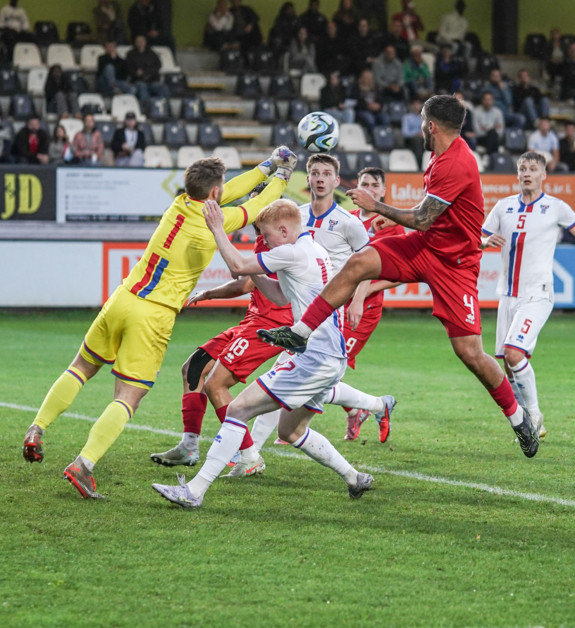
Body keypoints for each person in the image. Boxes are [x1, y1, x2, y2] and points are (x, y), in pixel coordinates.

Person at [257, 95, 543, 458]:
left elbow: (424, 216)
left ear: (432, 126)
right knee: (359, 263)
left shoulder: (456, 162)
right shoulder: (443, 151)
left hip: (455, 265)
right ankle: (301, 333)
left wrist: (377, 206)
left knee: (469, 352)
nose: (419, 125)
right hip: (424, 246)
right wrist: (392, 217)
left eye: (423, 120)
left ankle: (519, 419)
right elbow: (429, 222)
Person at [22, 149, 295, 497]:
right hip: (152, 315)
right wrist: (282, 177)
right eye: (220, 188)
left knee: (80, 368)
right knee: (128, 397)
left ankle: (37, 427)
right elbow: (255, 208)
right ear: (214, 193)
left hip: (122, 298)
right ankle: (84, 465)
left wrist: (267, 166)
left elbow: (228, 190)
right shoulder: (213, 222)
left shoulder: (179, 204)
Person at [152, 199, 385, 508]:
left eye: (267, 234)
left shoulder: (291, 252)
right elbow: (278, 295)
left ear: (284, 230)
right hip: (328, 356)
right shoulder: (315, 252)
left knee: (236, 410)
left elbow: (237, 266)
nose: (264, 243)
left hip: (312, 358)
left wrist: (218, 228)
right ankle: (354, 478)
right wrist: (260, 272)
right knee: (291, 430)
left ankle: (194, 491)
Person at [148, 183, 292, 475]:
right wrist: (209, 294)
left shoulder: (281, 242)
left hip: (271, 327)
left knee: (216, 383)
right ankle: (189, 445)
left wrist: (218, 232)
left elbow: (241, 272)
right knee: (193, 367)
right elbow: (246, 282)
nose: (253, 212)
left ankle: (249, 455)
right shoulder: (263, 240)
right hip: (252, 322)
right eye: (253, 204)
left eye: (259, 204)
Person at [481, 152, 575, 438]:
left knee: (514, 353)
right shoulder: (503, 207)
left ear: (543, 175)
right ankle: (527, 417)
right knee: (508, 365)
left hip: (537, 294)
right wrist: (485, 240)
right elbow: (477, 238)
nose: (527, 173)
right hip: (508, 296)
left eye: (533, 169)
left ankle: (534, 415)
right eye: (522, 168)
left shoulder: (556, 207)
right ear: (517, 175)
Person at [340, 167, 406, 439]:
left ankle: (370, 407)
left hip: (364, 309)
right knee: (321, 362)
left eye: (374, 184)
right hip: (337, 301)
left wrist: (365, 292)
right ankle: (358, 410)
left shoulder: (392, 224)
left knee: (332, 364)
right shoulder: (347, 219)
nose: (367, 187)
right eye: (363, 183)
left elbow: (401, 274)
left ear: (383, 191)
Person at [126, 34, 170, 103]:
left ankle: (163, 107)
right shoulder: (131, 54)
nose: (140, 43)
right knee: (142, 87)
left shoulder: (151, 53)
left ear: (145, 42)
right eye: (138, 41)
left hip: (152, 80)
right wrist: (136, 73)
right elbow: (128, 68)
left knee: (163, 88)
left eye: (142, 41)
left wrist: (145, 71)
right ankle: (145, 108)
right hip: (138, 80)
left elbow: (158, 66)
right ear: (135, 43)